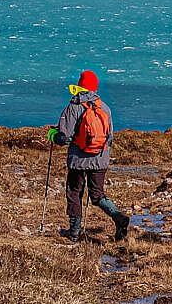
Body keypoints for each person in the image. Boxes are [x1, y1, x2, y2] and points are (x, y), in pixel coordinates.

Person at [47, 70, 130, 242]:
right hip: (100, 159)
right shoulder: (105, 107)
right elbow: (110, 137)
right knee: (97, 195)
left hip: (78, 160)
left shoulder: (74, 106)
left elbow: (64, 137)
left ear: (80, 85)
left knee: (74, 192)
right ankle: (119, 217)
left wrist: (53, 135)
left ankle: (74, 231)